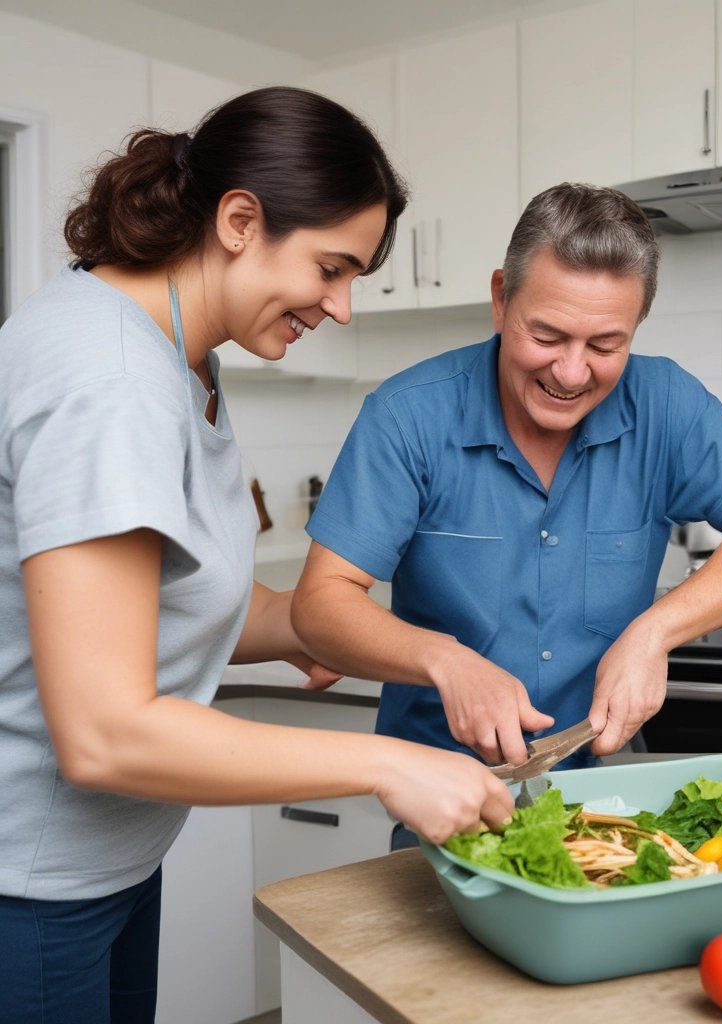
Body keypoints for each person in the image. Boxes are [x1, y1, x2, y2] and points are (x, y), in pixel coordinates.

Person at [0, 86, 513, 1024]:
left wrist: (337, 631)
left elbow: (149, 605)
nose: (343, 307)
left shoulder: (179, 356)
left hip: (97, 867)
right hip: (24, 887)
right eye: (331, 267)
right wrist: (387, 765)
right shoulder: (109, 382)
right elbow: (105, 730)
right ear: (240, 220)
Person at [292, 181, 722, 847]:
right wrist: (445, 660)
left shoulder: (664, 403)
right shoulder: (407, 417)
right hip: (448, 804)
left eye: (605, 345)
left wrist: (655, 632)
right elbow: (319, 605)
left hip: (613, 802)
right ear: (499, 300)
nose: (572, 373)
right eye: (547, 335)